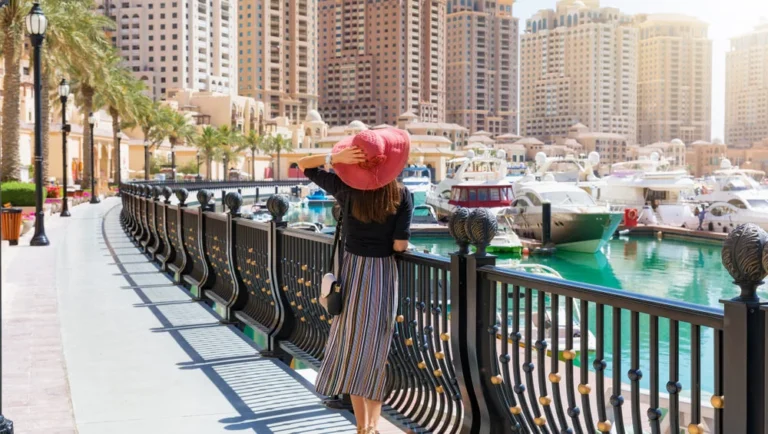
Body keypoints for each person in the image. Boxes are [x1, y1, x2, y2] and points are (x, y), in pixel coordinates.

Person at [298, 128, 413, 434]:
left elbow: (303, 164)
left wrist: (334, 158)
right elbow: (400, 245)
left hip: (352, 272)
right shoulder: (402, 194)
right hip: (383, 274)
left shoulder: (344, 189)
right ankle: (373, 426)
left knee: (352, 347)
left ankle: (363, 426)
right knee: (376, 351)